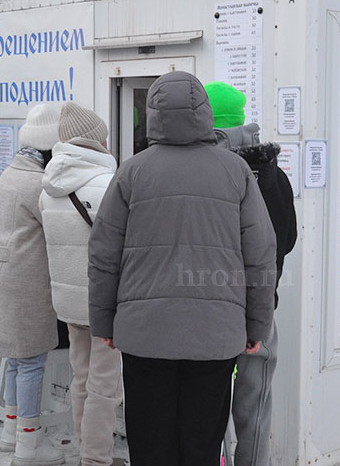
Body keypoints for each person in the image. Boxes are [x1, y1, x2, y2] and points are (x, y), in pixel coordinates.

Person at [88, 71, 277, 466]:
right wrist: (257, 327)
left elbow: (103, 255)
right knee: (201, 447)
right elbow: (261, 254)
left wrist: (103, 323)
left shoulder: (131, 172)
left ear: (153, 113)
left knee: (150, 445)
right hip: (214, 338)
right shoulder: (236, 172)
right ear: (204, 114)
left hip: (144, 337)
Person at [204, 81, 297, 466]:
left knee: (206, 407)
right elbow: (288, 238)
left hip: (214, 311)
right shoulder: (273, 174)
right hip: (263, 310)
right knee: (255, 407)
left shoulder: (212, 176)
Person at [40, 102, 123, 466]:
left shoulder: (48, 186)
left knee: (81, 376)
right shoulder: (108, 185)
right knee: (104, 386)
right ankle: (96, 459)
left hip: (68, 300)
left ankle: (84, 449)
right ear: (96, 139)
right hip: (102, 301)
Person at [0, 103, 65, 466]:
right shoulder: (38, 183)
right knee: (33, 361)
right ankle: (29, 446)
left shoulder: (11, 173)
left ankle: (11, 431)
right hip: (27, 282)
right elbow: (61, 230)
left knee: (18, 359)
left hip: (4, 278)